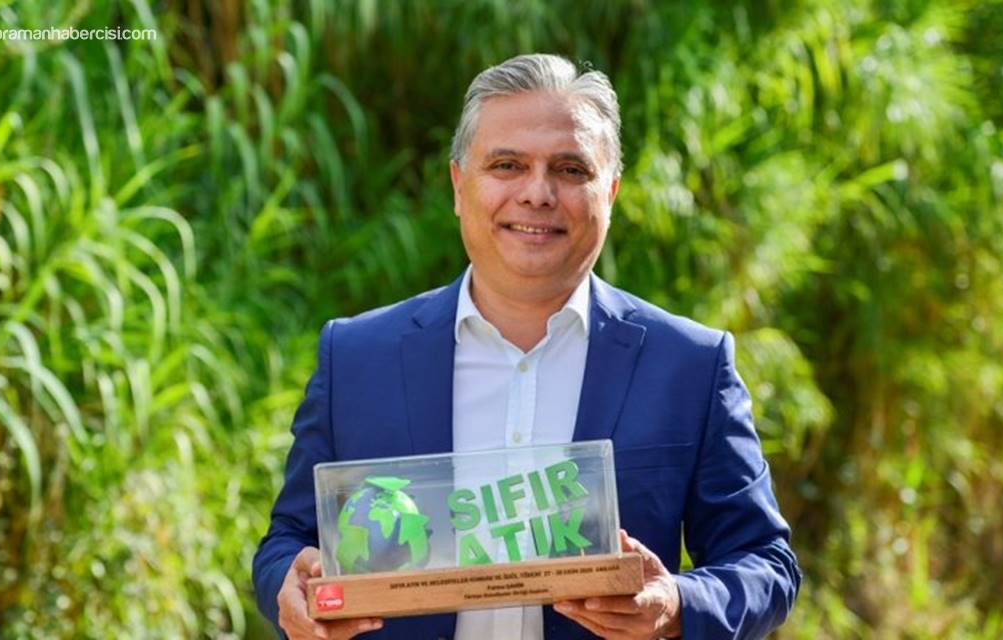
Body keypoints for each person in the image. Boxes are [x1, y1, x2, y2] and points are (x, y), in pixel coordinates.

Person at [252, 53, 801, 640]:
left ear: (610, 193)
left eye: (570, 169)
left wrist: (675, 604)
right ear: (459, 186)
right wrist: (289, 583)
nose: (537, 193)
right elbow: (288, 540)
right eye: (507, 165)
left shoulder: (689, 365)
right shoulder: (357, 358)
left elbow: (764, 562)